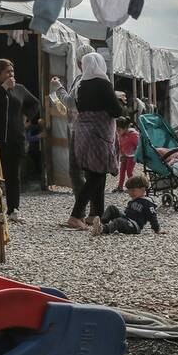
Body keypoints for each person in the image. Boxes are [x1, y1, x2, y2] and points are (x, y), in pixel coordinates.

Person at [66, 51, 123, 230]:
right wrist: (120, 103)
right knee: (97, 175)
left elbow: (78, 106)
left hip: (83, 134)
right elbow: (116, 111)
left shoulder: (81, 85)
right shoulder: (103, 83)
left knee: (94, 173)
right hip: (99, 134)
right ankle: (76, 216)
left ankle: (96, 215)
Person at [0, 59, 39, 222]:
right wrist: (3, 88)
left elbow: (34, 103)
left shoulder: (19, 89)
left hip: (14, 139)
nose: (11, 75)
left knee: (13, 176)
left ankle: (13, 210)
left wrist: (26, 117)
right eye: (7, 72)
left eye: (12, 71)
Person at [50, 43, 96, 195]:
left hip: (80, 129)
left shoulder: (82, 80)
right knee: (91, 170)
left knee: (76, 170)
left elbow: (70, 103)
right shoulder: (102, 78)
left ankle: (82, 203)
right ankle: (92, 204)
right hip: (94, 129)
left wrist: (58, 87)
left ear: (79, 63)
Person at [91, 175, 160, 236]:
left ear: (142, 189)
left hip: (134, 226)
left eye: (133, 190)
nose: (130, 193)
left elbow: (152, 217)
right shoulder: (134, 199)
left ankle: (103, 229)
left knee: (119, 221)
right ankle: (101, 224)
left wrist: (157, 229)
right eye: (129, 190)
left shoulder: (147, 202)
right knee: (112, 208)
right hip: (126, 219)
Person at [114, 117, 140, 192]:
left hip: (132, 156)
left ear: (125, 128)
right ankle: (120, 186)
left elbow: (138, 145)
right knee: (122, 171)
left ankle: (132, 187)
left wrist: (137, 155)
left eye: (119, 130)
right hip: (125, 156)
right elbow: (121, 146)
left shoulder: (133, 135)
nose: (117, 132)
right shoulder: (121, 135)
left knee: (129, 172)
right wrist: (122, 155)